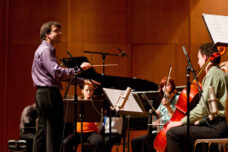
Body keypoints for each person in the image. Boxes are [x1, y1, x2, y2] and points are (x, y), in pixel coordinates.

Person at [32, 21, 100, 152]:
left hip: (43, 94)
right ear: (47, 34)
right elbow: (57, 72)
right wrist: (79, 68)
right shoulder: (46, 50)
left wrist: (83, 81)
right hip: (49, 94)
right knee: (53, 132)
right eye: (56, 31)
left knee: (42, 132)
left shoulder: (44, 49)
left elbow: (59, 75)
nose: (60, 33)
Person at [166, 43, 228, 152]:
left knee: (172, 133)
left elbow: (203, 107)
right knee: (188, 131)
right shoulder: (220, 74)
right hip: (218, 124)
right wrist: (201, 121)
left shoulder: (212, 74)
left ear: (205, 58)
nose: (198, 62)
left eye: (198, 58)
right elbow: (213, 108)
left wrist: (181, 121)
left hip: (217, 127)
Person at [131, 77, 179, 152]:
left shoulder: (177, 98)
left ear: (172, 86)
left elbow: (176, 118)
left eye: (167, 85)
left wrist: (168, 107)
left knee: (148, 139)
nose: (164, 88)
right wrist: (152, 112)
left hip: (168, 131)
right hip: (159, 131)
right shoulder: (164, 99)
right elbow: (158, 113)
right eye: (163, 86)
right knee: (135, 142)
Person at [62, 84, 103, 152]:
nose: (89, 92)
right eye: (87, 90)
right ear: (82, 91)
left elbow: (98, 124)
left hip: (92, 132)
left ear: (93, 92)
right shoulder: (77, 103)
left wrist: (97, 118)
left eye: (91, 90)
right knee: (66, 142)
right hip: (79, 133)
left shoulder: (96, 105)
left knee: (99, 141)